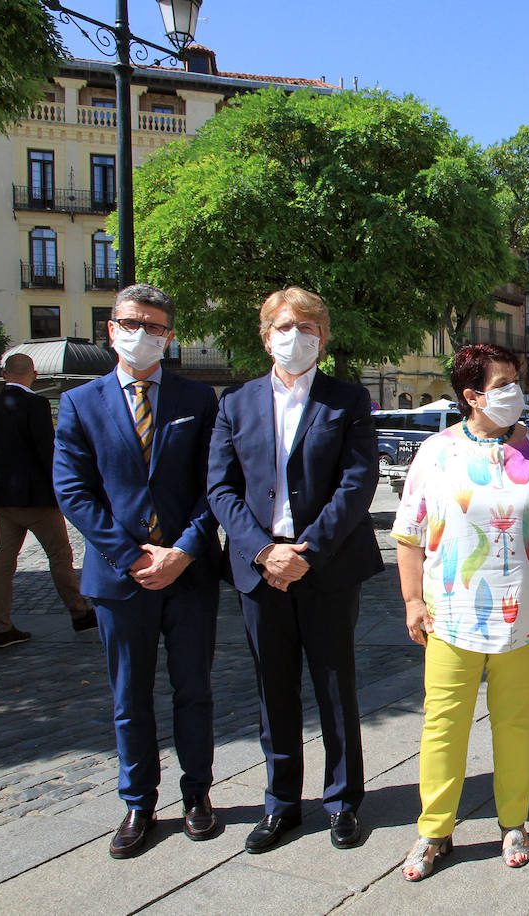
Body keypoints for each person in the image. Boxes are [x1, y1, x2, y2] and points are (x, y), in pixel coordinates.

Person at [392, 343, 529, 881]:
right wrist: (412, 601)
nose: (515, 393)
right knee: (443, 725)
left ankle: (514, 822)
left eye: (516, 381)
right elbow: (409, 535)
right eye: (503, 385)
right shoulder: (436, 452)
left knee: (516, 723)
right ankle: (434, 831)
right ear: (472, 395)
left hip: (527, 614)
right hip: (451, 614)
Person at [208, 286, 381, 854]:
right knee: (272, 688)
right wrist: (263, 551)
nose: (297, 336)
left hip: (324, 564)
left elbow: (357, 484)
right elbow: (221, 488)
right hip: (260, 567)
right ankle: (281, 803)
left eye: (309, 327)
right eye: (285, 326)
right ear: (266, 335)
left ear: (323, 338)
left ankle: (342, 801)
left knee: (335, 686)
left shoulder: (347, 400)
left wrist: (306, 552)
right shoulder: (235, 403)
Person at [53, 284, 223, 858]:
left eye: (155, 326)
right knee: (130, 695)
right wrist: (130, 555)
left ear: (169, 335)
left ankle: (197, 793)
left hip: (189, 574)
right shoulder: (80, 403)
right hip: (118, 577)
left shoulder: (198, 401)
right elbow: (73, 490)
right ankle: (138, 802)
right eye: (132, 323)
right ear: (111, 328)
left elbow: (215, 487)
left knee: (194, 690)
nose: (142, 334)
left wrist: (183, 550)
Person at [0, 353, 96, 647]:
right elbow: (47, 451)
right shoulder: (36, 404)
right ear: (35, 374)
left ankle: (0, 626)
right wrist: (61, 490)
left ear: (3, 374)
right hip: (38, 499)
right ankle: (80, 613)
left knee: (3, 563)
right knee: (59, 556)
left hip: (3, 500)